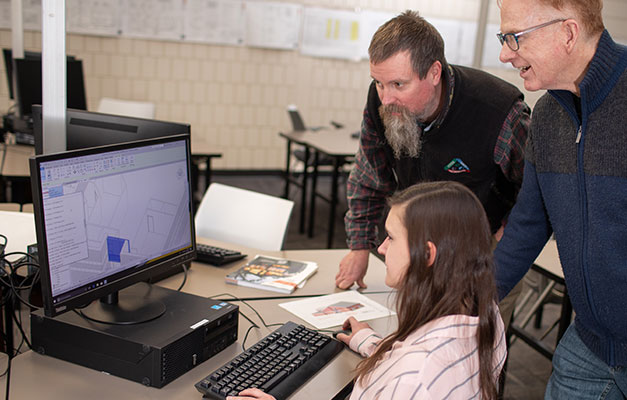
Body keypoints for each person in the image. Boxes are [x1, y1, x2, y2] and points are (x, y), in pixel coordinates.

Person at [227, 181, 507, 400]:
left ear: (426, 254)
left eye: (392, 238)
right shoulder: (487, 315)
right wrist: (374, 343)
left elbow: (412, 375)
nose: (382, 248)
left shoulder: (414, 376)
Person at [335, 11, 530, 306]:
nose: (386, 98)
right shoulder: (382, 101)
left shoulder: (498, 111)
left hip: (479, 246)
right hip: (416, 240)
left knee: (474, 340)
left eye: (399, 84)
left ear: (434, 73)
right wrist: (359, 247)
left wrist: (511, 229)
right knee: (416, 335)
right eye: (378, 82)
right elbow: (369, 175)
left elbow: (537, 187)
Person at [493, 0, 627, 398]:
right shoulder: (548, 116)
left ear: (568, 33)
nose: (504, 54)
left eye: (514, 38)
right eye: (504, 38)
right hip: (590, 342)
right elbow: (528, 225)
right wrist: (472, 301)